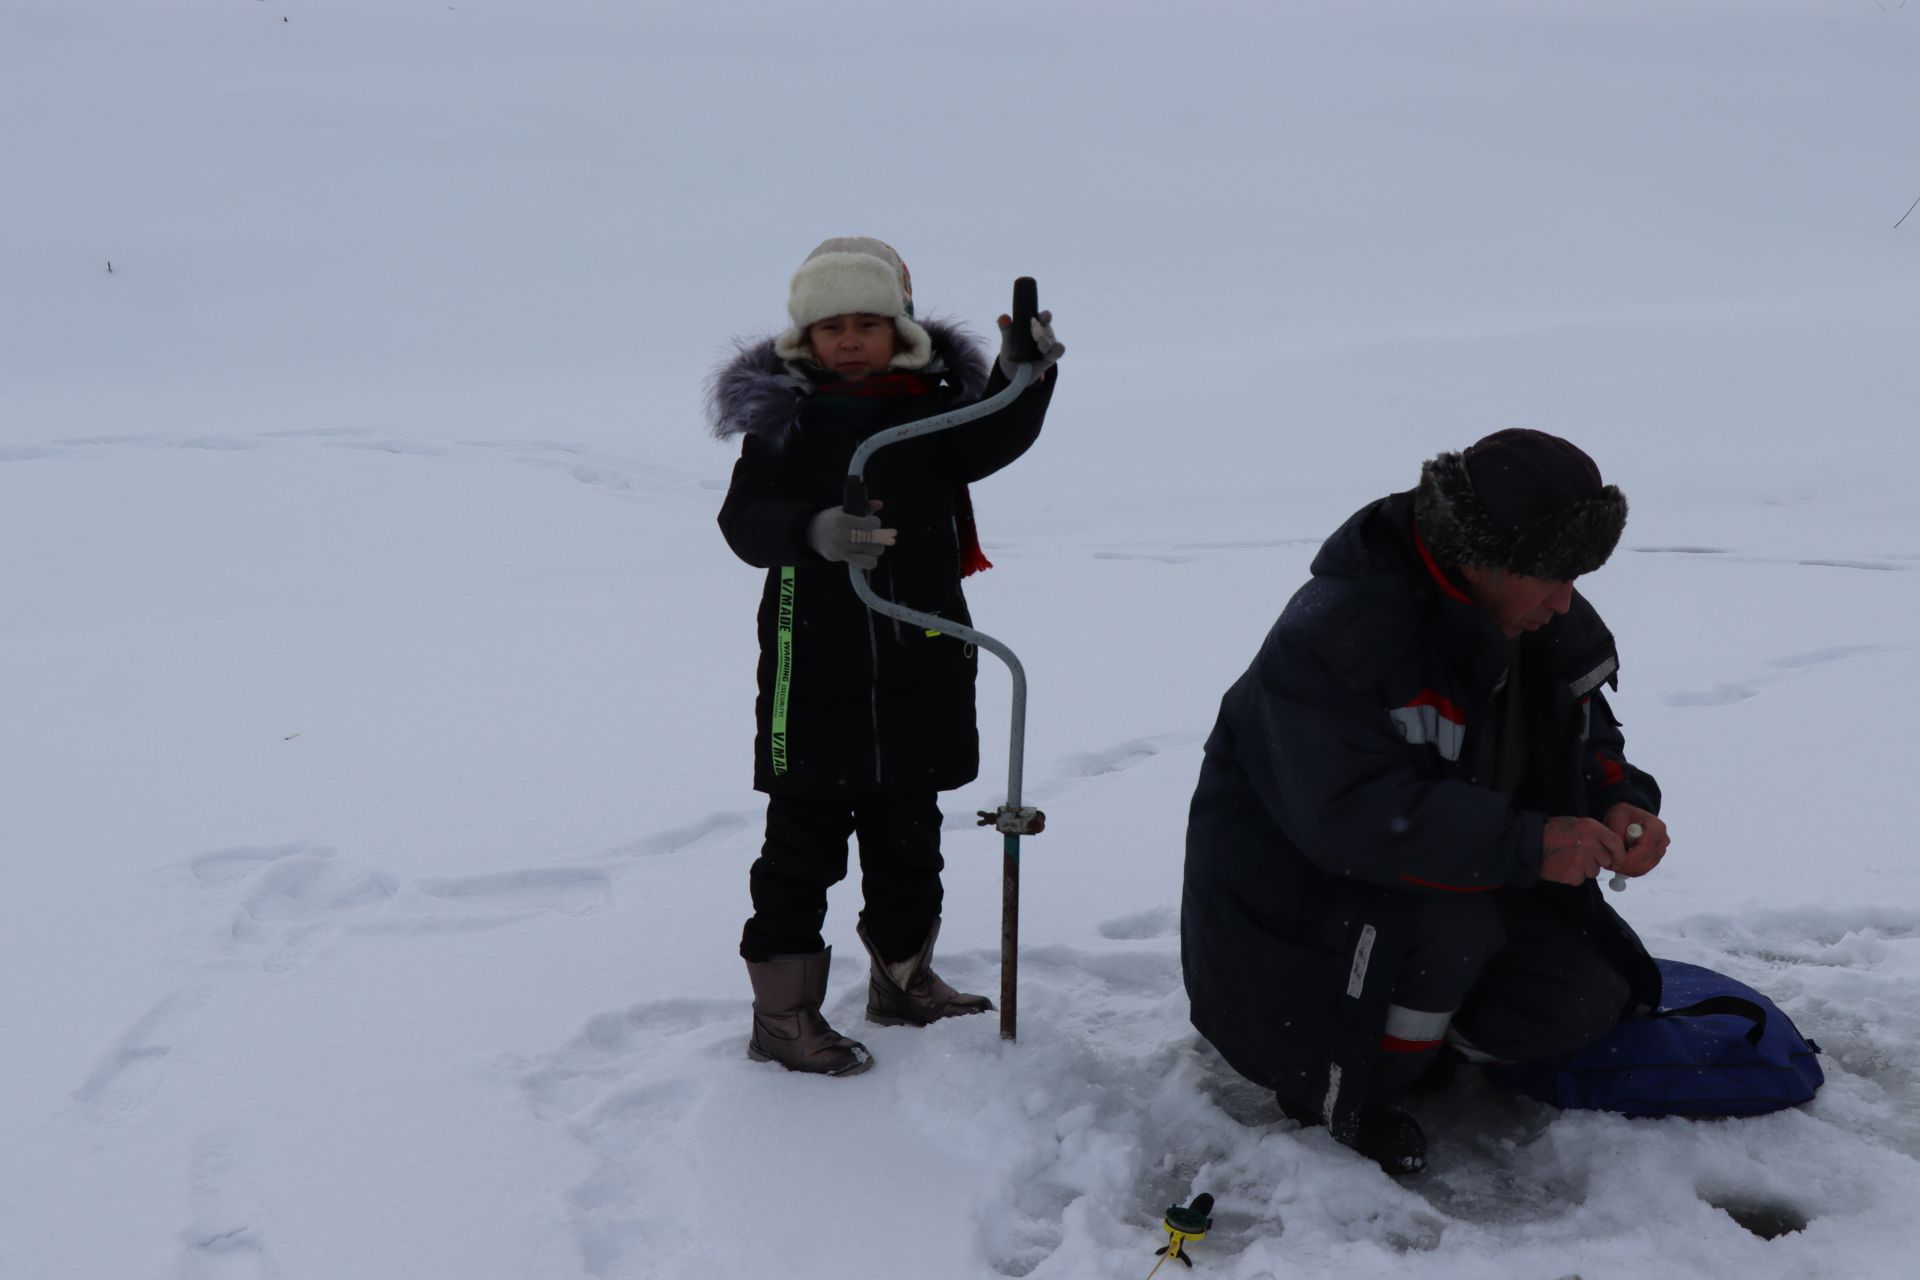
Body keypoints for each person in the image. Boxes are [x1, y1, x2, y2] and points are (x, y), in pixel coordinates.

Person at [1180, 429, 1671, 1174]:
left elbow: (1586, 732)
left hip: (1453, 877)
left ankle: (1428, 1038)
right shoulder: (1341, 636)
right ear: (1480, 558)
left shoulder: (1536, 612)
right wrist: (1531, 845)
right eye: (1553, 576)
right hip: (1290, 942)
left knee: (1578, 999)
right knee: (1453, 927)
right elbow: (1351, 820)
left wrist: (1618, 799)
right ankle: (1352, 1084)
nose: (1567, 601)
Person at [710, 237, 1063, 1076]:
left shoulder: (933, 408)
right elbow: (744, 520)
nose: (851, 340)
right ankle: (782, 1016)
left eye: (870, 322)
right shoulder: (784, 422)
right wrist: (813, 531)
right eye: (834, 325)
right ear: (806, 336)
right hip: (815, 670)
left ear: (899, 328)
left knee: (911, 836)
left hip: (921, 655)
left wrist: (1029, 377)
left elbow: (993, 441)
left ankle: (902, 980)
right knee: (803, 846)